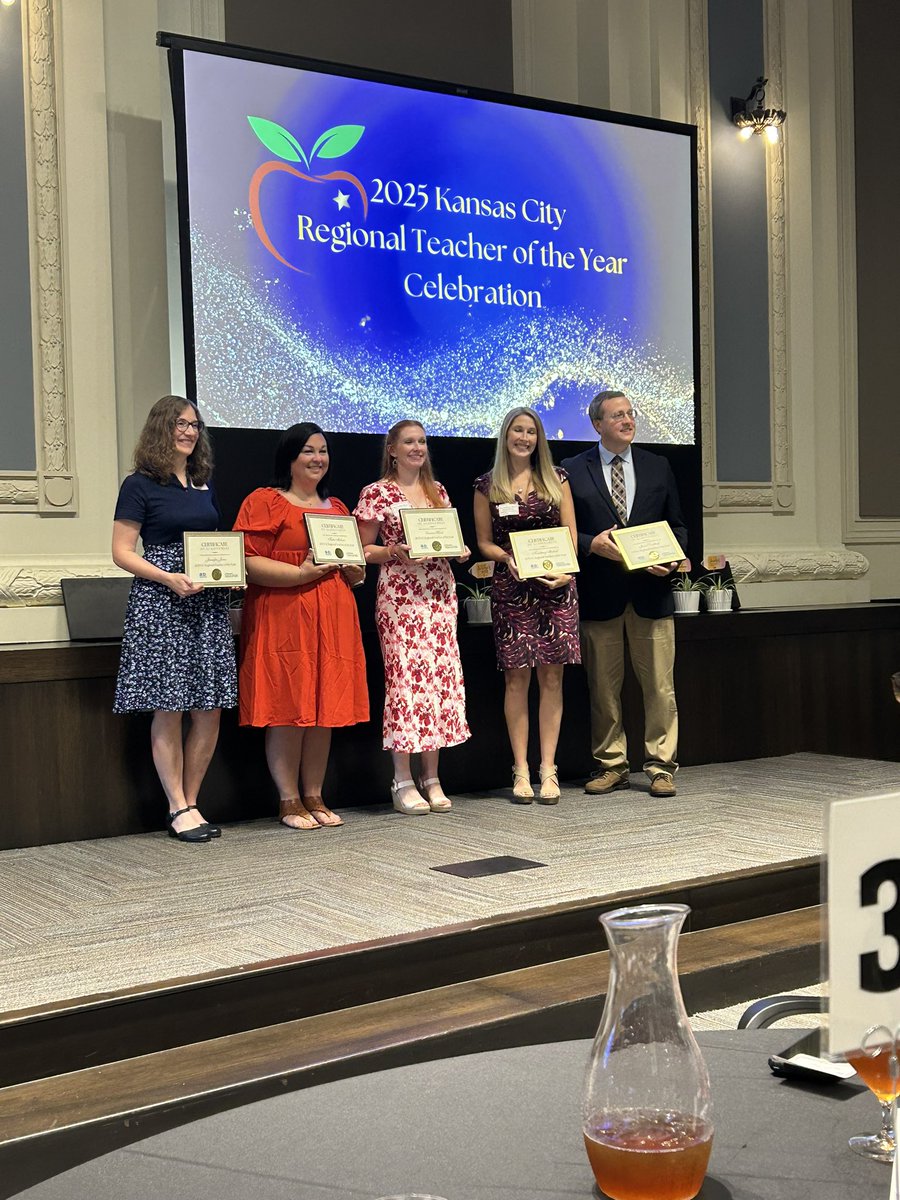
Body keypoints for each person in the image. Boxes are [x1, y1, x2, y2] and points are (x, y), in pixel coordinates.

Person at [112, 395, 237, 843]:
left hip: (205, 603)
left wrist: (229, 573)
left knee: (209, 707)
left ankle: (192, 801)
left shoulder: (203, 482)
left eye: (194, 425)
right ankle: (176, 805)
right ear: (161, 428)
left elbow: (214, 540)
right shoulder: (139, 484)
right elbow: (121, 552)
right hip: (161, 602)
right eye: (180, 424)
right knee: (169, 706)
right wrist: (168, 578)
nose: (189, 432)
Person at [233, 423, 369, 830]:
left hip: (334, 619)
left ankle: (314, 794)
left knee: (324, 709)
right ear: (290, 457)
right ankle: (288, 799)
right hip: (284, 616)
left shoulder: (338, 508)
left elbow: (357, 571)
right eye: (308, 451)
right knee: (288, 708)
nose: (317, 459)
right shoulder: (265, 501)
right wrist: (300, 574)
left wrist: (354, 569)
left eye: (323, 451)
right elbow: (247, 560)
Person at [561, 390, 687, 798]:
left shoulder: (658, 465)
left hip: (652, 593)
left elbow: (677, 525)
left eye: (630, 413)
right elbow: (564, 530)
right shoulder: (572, 469)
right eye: (617, 415)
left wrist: (672, 559)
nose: (627, 420)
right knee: (603, 689)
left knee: (660, 689)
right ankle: (611, 765)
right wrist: (589, 544)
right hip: (600, 595)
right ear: (597, 424)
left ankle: (661, 766)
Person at [355, 420, 470, 814]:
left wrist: (459, 550)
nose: (417, 448)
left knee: (438, 681)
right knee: (406, 683)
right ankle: (402, 779)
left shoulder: (437, 491)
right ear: (392, 449)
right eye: (409, 442)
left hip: (439, 595)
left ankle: (431, 777)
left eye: (422, 441)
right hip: (400, 598)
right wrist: (395, 552)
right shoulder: (376, 493)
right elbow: (362, 549)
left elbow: (446, 538)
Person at [473, 407, 580, 804]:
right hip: (512, 589)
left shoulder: (557, 478)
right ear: (506, 436)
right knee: (516, 680)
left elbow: (570, 534)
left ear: (539, 439)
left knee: (552, 679)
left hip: (556, 589)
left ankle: (548, 769)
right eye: (517, 430)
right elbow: (484, 542)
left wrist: (567, 572)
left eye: (531, 431)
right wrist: (506, 558)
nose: (524, 438)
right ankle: (520, 769)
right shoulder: (487, 485)